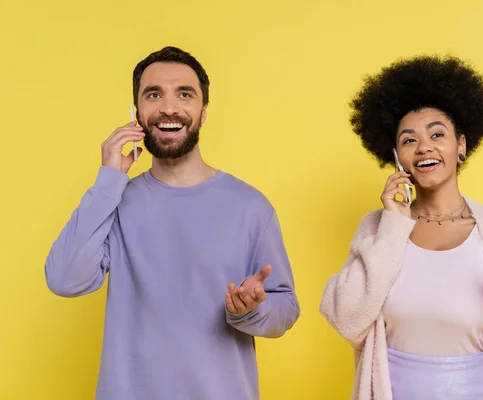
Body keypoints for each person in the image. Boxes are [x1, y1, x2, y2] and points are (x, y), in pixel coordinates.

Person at [44, 46, 300, 400]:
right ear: (136, 112)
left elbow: (285, 308)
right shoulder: (114, 202)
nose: (168, 107)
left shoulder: (250, 206)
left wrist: (252, 310)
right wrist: (108, 180)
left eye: (184, 94)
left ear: (203, 111)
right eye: (154, 94)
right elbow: (63, 280)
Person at [319, 55, 483, 400]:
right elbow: (346, 319)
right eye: (408, 140)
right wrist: (392, 227)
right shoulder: (377, 227)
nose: (424, 147)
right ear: (397, 157)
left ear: (460, 144)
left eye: (437, 134)